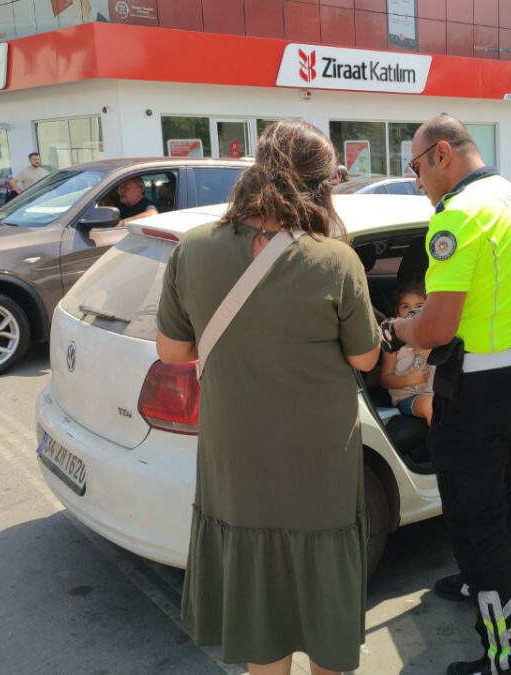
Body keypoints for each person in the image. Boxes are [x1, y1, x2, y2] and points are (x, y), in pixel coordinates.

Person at [155, 120, 380, 675]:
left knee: (257, 594)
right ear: (322, 184)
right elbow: (366, 359)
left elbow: (173, 352)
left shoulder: (194, 248)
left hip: (236, 451)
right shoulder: (335, 260)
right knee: (323, 580)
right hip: (318, 457)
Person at [381, 114, 511, 675]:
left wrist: (397, 330)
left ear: (442, 155)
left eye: (416, 167)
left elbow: (434, 329)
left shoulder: (457, 216)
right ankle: (482, 583)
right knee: (497, 501)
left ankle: (508, 657)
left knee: (476, 519)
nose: (416, 181)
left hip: (477, 390)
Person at [380, 281, 434, 426]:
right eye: (406, 307)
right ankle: (440, 448)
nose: (412, 312)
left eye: (419, 307)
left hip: (437, 391)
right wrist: (411, 379)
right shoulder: (394, 341)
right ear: (397, 311)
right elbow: (385, 380)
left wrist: (432, 354)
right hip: (409, 397)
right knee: (432, 407)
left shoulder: (436, 336)